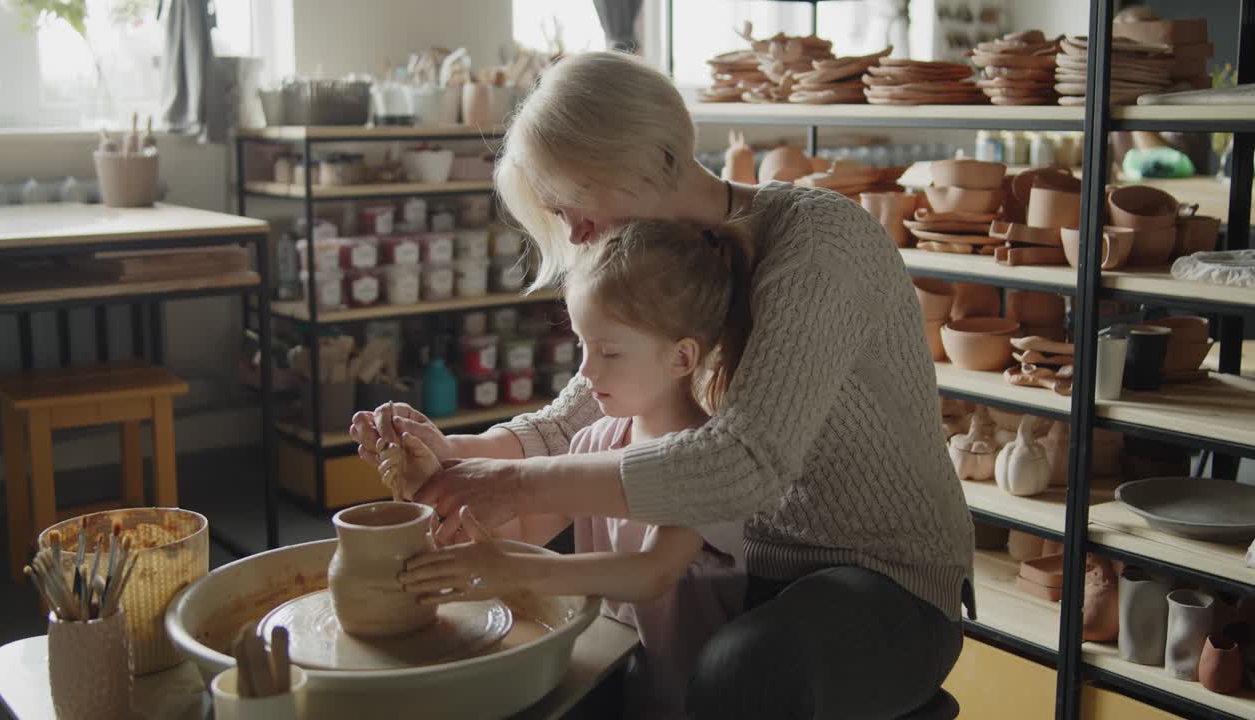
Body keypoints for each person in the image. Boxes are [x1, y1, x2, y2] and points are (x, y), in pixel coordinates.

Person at [351, 50, 974, 718]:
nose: (577, 235)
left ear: (653, 163)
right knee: (558, 648)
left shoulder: (816, 243)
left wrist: (504, 485)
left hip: (884, 578)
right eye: (560, 217)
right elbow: (573, 423)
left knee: (747, 670)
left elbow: (746, 464)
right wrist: (450, 455)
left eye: (578, 205)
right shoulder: (657, 270)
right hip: (741, 567)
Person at [397, 219, 753, 718]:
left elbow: (649, 574)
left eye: (608, 352)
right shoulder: (596, 441)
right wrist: (432, 481)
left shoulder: (703, 461)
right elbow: (526, 528)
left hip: (690, 695)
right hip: (614, 670)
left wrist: (513, 570)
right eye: (583, 345)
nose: (585, 370)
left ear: (682, 357)